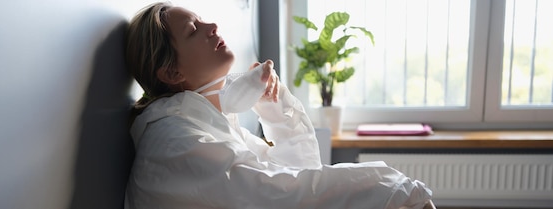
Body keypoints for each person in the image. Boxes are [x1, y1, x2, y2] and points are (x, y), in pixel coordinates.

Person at [124, 2, 436, 209]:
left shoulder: (208, 123)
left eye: (204, 20)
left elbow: (298, 171)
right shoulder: (176, 141)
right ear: (171, 72)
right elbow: (279, 195)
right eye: (193, 30)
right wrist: (390, 186)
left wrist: (275, 108)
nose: (212, 26)